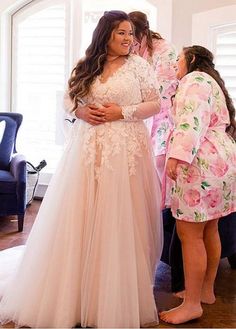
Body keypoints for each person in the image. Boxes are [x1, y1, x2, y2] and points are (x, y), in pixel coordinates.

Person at [0, 11, 163, 328]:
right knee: (81, 214)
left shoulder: (139, 67)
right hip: (88, 149)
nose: (129, 39)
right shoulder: (85, 64)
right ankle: (73, 292)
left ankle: (110, 294)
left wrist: (122, 111)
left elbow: (155, 104)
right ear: (106, 35)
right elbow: (68, 98)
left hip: (126, 150)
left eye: (131, 34)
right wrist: (81, 111)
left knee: (119, 219)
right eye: (122, 33)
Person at [159, 45, 236, 324]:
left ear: (190, 60)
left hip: (199, 163)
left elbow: (190, 122)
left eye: (178, 59)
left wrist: (175, 157)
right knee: (210, 228)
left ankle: (191, 303)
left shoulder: (193, 80)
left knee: (189, 235)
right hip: (221, 161)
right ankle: (205, 292)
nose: (175, 64)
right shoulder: (211, 81)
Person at [128, 11, 178, 182]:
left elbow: (164, 87)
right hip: (140, 112)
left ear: (144, 33)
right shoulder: (129, 50)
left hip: (163, 112)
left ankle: (164, 205)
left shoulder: (164, 49)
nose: (132, 45)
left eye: (135, 40)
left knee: (159, 161)